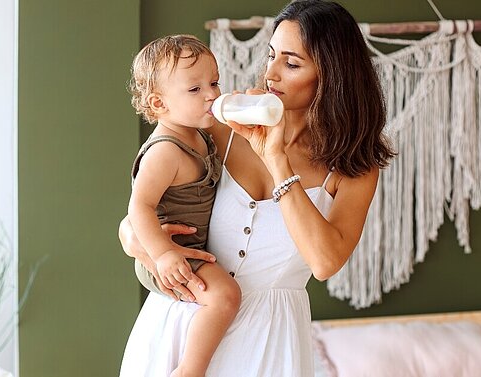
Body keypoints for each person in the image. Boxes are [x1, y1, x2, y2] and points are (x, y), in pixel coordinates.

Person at [119, 1, 395, 375]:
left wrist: (277, 159)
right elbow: (141, 209)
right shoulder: (222, 126)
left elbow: (325, 262)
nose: (271, 74)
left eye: (291, 63)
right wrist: (143, 243)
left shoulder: (354, 168)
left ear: (332, 76)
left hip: (269, 343)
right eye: (270, 56)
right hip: (181, 324)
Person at [125, 34, 242, 377]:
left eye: (214, 82)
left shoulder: (200, 134)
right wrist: (163, 254)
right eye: (195, 89)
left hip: (186, 250)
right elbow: (139, 207)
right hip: (169, 255)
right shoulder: (165, 151)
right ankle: (190, 370)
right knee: (225, 296)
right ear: (159, 104)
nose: (211, 94)